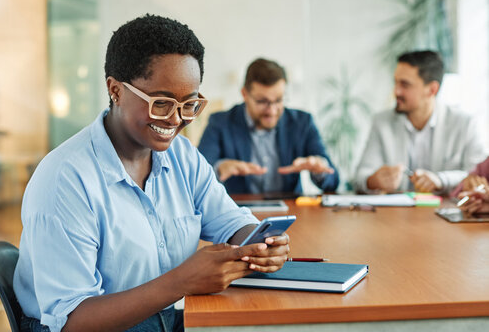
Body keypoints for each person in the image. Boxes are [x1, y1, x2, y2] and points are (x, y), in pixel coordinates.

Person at [13, 15, 290, 332]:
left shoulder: (181, 156)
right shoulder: (65, 180)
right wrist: (181, 281)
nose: (176, 119)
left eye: (189, 104)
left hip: (164, 317)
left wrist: (257, 242)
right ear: (116, 90)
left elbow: (229, 219)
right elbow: (70, 321)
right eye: (161, 103)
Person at [198, 58, 339, 195]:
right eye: (262, 101)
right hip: (237, 212)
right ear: (244, 94)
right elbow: (196, 177)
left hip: (291, 211)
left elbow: (333, 181)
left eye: (278, 100)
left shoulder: (302, 122)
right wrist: (218, 169)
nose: (272, 110)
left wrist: (319, 169)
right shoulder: (220, 123)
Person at [353, 50, 486, 194]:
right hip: (395, 214)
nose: (396, 91)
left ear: (432, 90)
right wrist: (373, 181)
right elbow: (360, 177)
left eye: (405, 84)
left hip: (445, 212)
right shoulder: (382, 122)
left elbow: (479, 176)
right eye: (395, 82)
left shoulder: (464, 124)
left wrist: (441, 180)